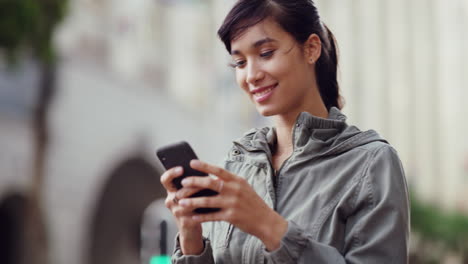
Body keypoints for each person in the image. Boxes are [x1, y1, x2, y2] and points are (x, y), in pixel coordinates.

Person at [160, 0, 410, 263]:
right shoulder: (236, 166)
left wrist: (268, 225)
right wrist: (191, 238)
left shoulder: (370, 164)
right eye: (240, 62)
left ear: (311, 48)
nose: (251, 75)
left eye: (266, 53)